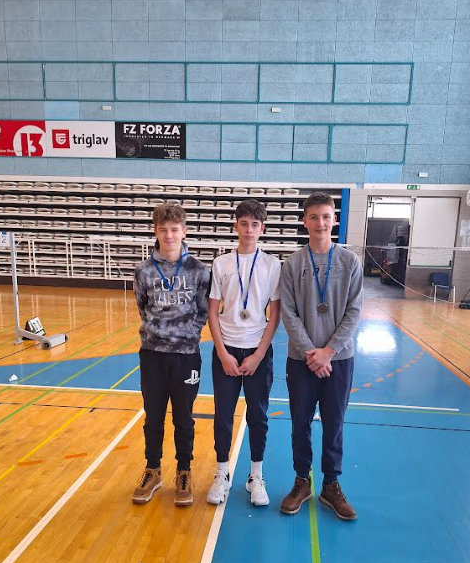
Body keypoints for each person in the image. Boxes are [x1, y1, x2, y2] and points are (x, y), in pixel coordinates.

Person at [279, 192, 363, 519]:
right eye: (313, 217)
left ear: (334, 220)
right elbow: (288, 312)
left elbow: (354, 311)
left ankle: (331, 484)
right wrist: (310, 352)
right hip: (301, 361)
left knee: (334, 423)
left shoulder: (350, 262)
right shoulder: (292, 264)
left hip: (338, 360)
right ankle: (302, 480)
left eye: (326, 216)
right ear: (305, 221)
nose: (320, 223)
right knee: (300, 423)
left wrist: (328, 351)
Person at [132, 203, 210, 505]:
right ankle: (152, 470)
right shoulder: (143, 271)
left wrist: (185, 334)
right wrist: (161, 332)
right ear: (155, 231)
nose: (169, 235)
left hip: (186, 355)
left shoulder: (199, 271)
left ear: (184, 231)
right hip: (152, 354)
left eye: (174, 229)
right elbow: (142, 307)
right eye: (163, 230)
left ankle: (184, 471)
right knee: (153, 416)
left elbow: (203, 311)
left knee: (184, 418)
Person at [207, 199, 281, 506]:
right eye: (244, 223)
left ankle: (255, 476)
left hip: (257, 351)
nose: (249, 230)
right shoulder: (221, 263)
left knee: (258, 415)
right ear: (235, 226)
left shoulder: (273, 265)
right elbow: (212, 311)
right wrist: (223, 353)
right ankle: (221, 474)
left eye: (255, 224)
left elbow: (274, 315)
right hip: (226, 349)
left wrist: (259, 355)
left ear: (262, 228)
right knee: (223, 415)